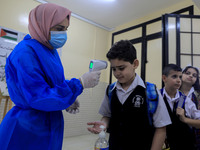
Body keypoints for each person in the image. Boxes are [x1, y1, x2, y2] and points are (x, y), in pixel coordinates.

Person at [0, 3, 101, 150]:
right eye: (59, 29)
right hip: (27, 127)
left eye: (66, 29)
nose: (64, 34)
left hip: (50, 124)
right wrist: (79, 84)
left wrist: (68, 99)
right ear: (42, 25)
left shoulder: (50, 51)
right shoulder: (25, 52)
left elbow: (52, 84)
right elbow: (38, 96)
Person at [87, 40, 171, 150]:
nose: (117, 73)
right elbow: (107, 115)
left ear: (135, 64)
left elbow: (161, 128)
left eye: (121, 68)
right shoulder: (111, 90)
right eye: (114, 69)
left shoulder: (151, 91)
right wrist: (103, 125)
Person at [161, 64, 200, 150]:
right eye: (174, 76)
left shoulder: (184, 99)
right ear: (164, 78)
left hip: (186, 144)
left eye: (180, 77)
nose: (178, 80)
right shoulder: (156, 96)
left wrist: (185, 119)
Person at [178, 65, 200, 149]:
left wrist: (185, 119)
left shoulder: (198, 96)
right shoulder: (174, 92)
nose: (191, 76)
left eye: (194, 75)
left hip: (196, 136)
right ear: (181, 74)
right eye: (188, 73)